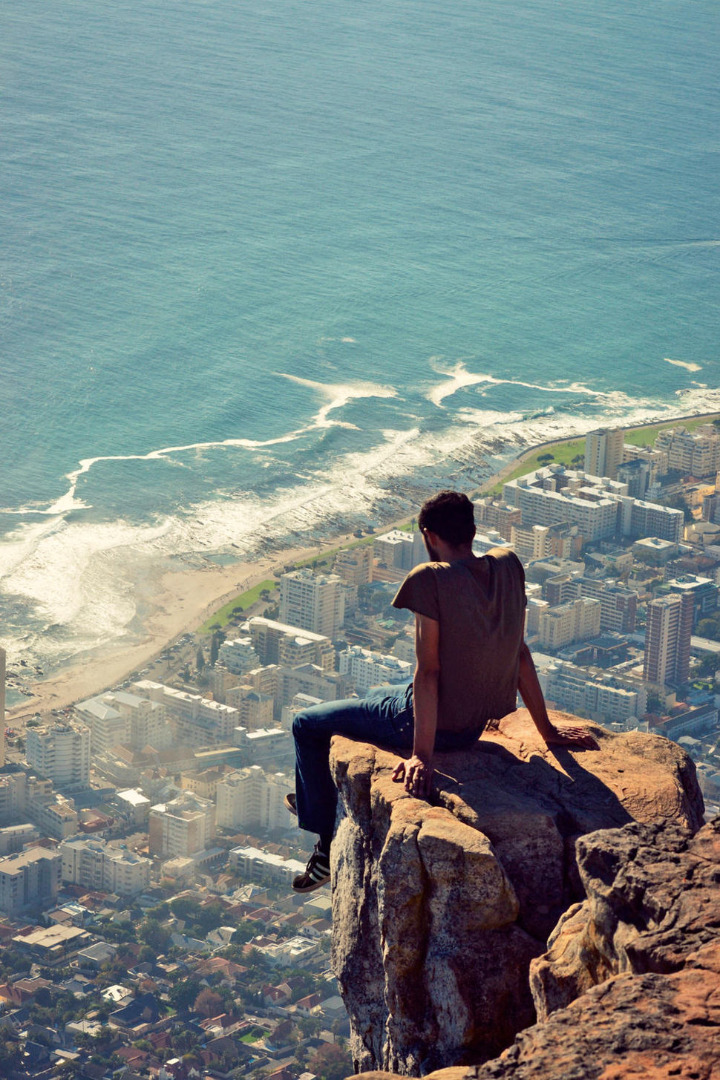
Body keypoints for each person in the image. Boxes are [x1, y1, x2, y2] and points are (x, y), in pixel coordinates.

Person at [286, 491, 597, 892]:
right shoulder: (507, 565)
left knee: (306, 724)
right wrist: (547, 730)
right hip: (471, 727)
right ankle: (315, 794)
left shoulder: (430, 578)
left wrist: (421, 756)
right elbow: (520, 654)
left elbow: (428, 672)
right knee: (379, 690)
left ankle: (323, 840)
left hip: (424, 724)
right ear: (472, 530)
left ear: (429, 536)